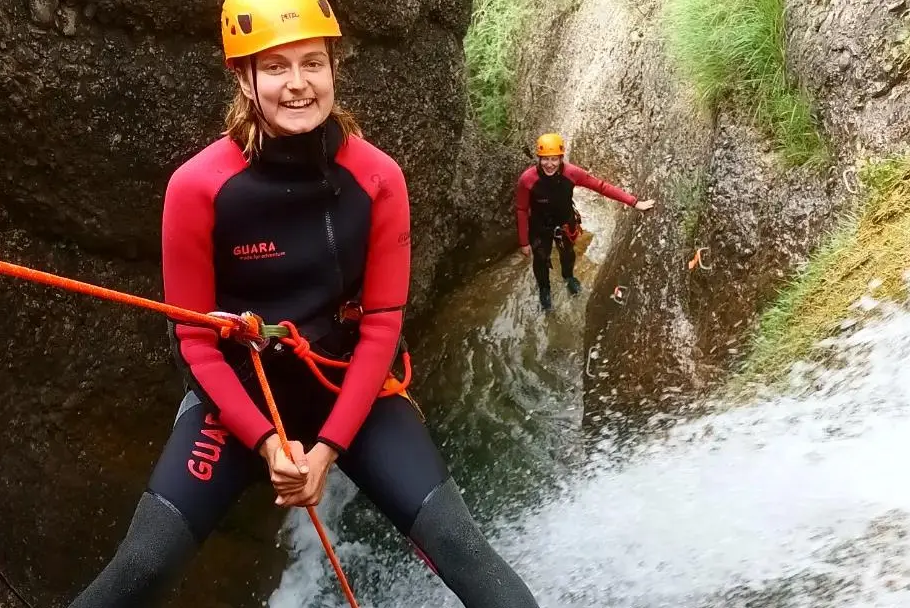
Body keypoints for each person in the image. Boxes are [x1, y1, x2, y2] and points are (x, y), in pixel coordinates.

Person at [68, 1, 540, 606]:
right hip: (237, 395)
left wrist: (325, 451)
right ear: (244, 78)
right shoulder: (198, 187)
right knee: (141, 567)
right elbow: (194, 341)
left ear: (334, 68)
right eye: (276, 66)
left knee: (462, 548)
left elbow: (382, 326)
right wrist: (267, 443)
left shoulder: (376, 179)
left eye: (313, 62)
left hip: (348, 388)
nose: (298, 83)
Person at [515, 133, 655, 310]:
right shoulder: (527, 179)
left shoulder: (571, 173)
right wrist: (524, 242)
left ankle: (568, 277)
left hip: (565, 223)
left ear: (560, 158)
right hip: (539, 227)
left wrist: (635, 203)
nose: (549, 164)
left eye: (554, 159)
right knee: (540, 260)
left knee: (567, 255)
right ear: (539, 159)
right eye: (545, 159)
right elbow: (521, 209)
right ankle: (544, 289)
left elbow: (601, 187)